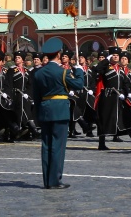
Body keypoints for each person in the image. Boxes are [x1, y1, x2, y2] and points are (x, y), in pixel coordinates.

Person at [32, 38, 84, 190]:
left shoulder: (38, 73)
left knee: (46, 146)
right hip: (60, 110)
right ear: (59, 54)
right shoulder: (62, 72)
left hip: (44, 109)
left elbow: (36, 96)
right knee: (58, 147)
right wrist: (79, 71)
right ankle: (55, 180)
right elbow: (79, 85)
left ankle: (47, 180)